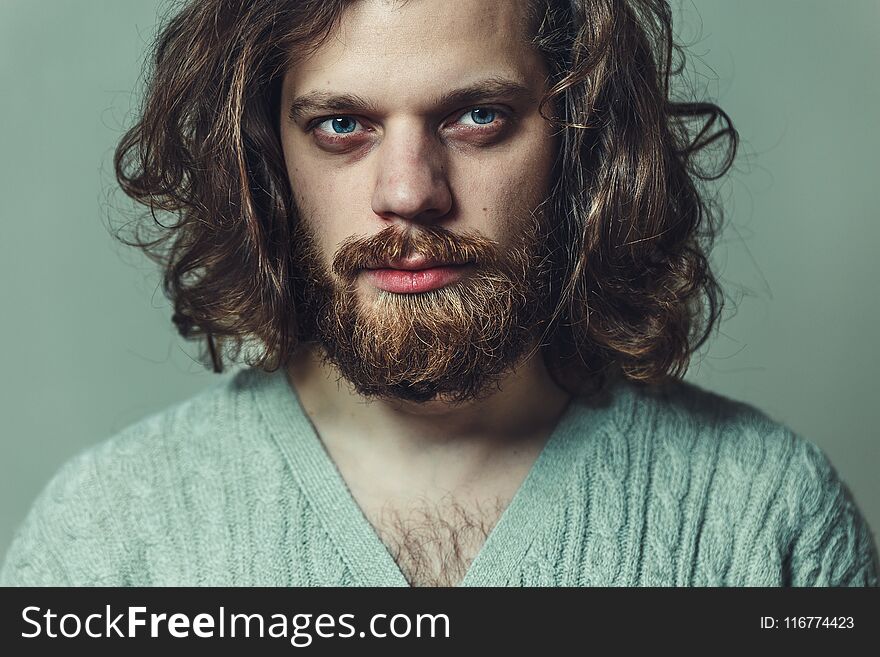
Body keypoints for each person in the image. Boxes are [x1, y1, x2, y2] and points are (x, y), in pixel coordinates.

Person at [1, 0, 877, 587]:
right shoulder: (109, 542)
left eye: (476, 116)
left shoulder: (768, 524)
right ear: (267, 156)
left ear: (582, 140)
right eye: (343, 125)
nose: (410, 192)